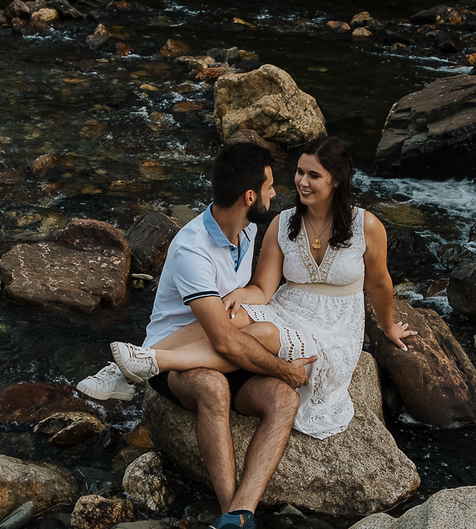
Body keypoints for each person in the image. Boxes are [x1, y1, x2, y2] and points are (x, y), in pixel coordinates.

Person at [76, 142, 314, 529]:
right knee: (213, 385)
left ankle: (239, 513)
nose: (275, 193)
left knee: (283, 399)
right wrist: (283, 368)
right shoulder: (193, 248)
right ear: (249, 197)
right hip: (179, 349)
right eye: (269, 186)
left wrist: (241, 302)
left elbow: (248, 302)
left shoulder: (246, 231)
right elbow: (222, 343)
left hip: (221, 341)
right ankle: (234, 518)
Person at [109, 135, 415, 443]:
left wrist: (387, 327)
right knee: (233, 318)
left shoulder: (367, 226)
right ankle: (129, 366)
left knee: (260, 334)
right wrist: (239, 297)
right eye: (299, 172)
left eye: (313, 175)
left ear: (336, 180)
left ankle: (152, 362)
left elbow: (379, 283)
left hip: (334, 325)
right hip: (288, 308)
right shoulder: (282, 224)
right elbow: (263, 289)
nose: (301, 182)